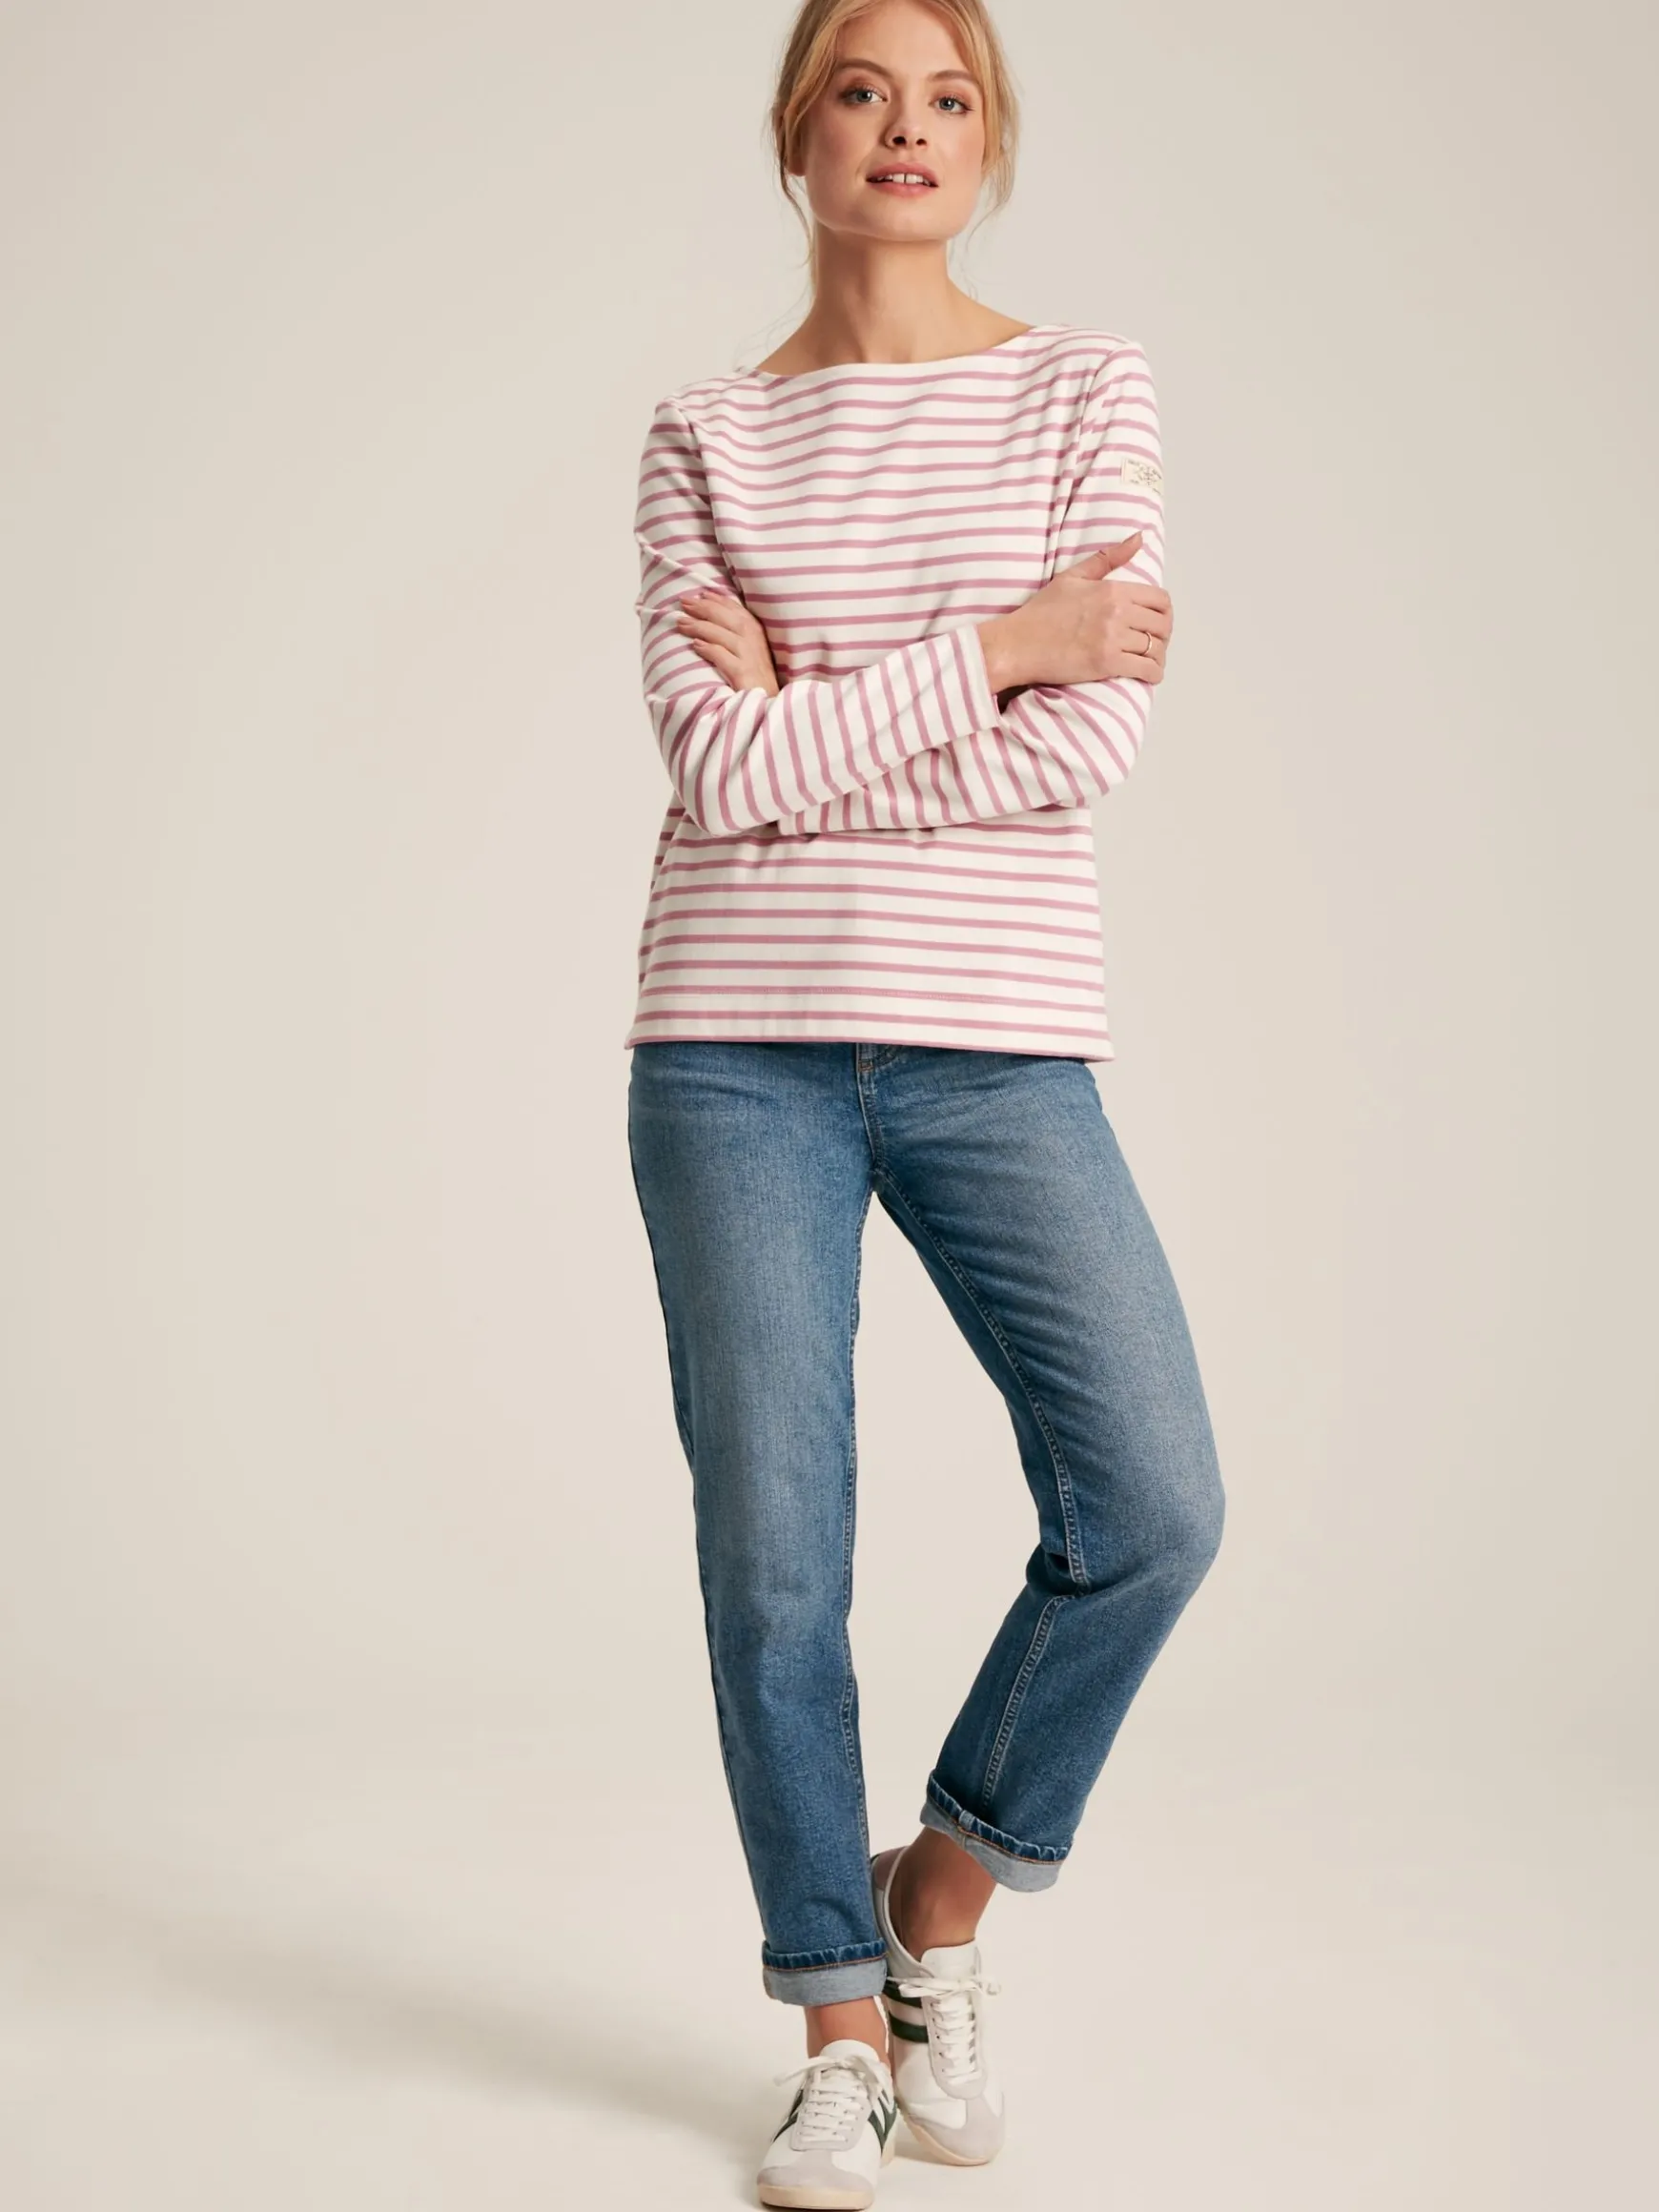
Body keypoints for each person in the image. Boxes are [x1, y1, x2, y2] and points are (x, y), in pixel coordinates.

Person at [624, 2, 1225, 2202]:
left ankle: (931, 1895)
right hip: (732, 1048)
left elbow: (1093, 746)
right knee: (777, 1557)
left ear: (993, 141)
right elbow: (719, 772)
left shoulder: (1085, 390)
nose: (910, 128)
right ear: (797, 135)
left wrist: (829, 712)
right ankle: (834, 2028)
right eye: (864, 91)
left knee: (1153, 1498)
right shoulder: (704, 437)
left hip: (996, 1039)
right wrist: (997, 644)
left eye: (951, 95)